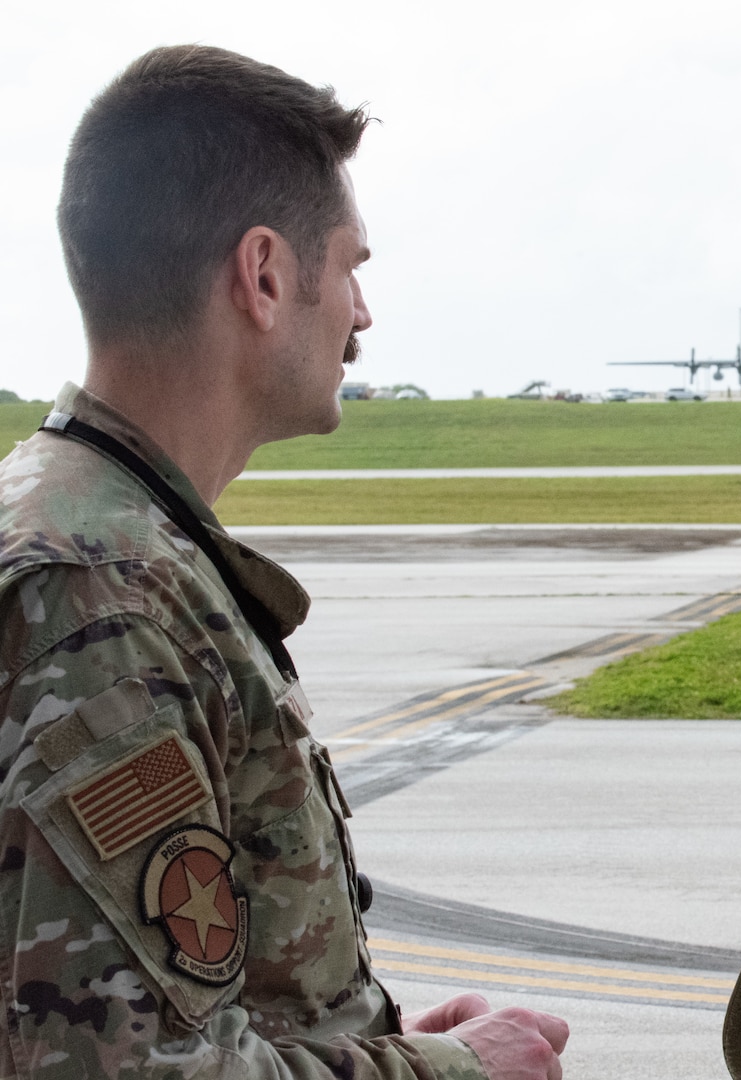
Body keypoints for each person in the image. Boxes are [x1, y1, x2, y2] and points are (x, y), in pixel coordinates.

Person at [0, 46, 567, 1078]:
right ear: (263, 276)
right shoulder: (103, 597)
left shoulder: (99, 535)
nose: (362, 314)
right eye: (351, 266)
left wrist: (368, 1047)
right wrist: (460, 1072)